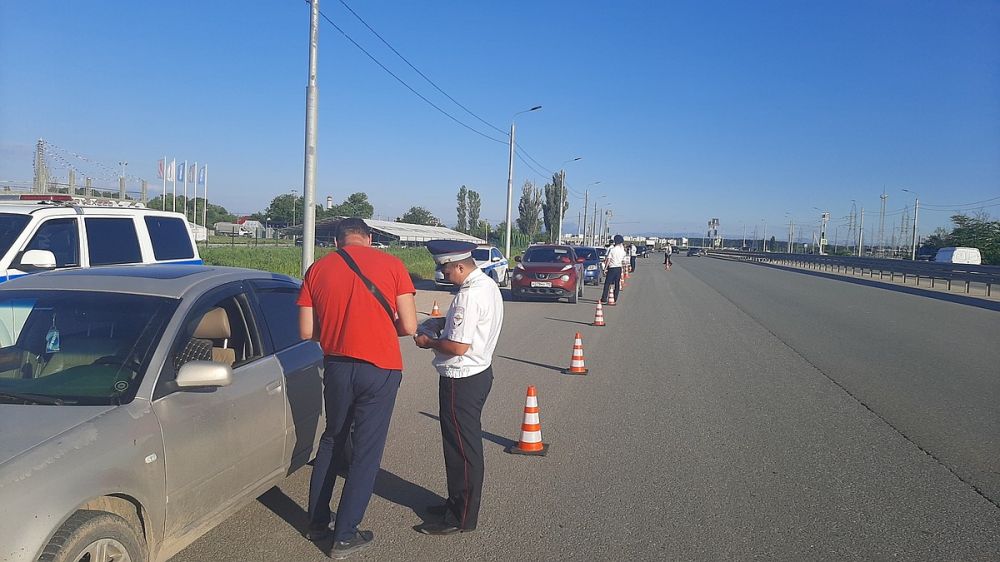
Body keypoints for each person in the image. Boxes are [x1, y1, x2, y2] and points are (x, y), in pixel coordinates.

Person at [297, 218, 417, 559]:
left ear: (337, 242)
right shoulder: (393, 265)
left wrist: (338, 331)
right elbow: (408, 325)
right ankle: (345, 534)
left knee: (333, 439)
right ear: (369, 238)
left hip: (336, 366)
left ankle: (317, 523)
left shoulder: (317, 269)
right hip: (380, 368)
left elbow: (306, 331)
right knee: (366, 451)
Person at [414, 240, 504, 535]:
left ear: (460, 266)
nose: (441, 274)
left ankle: (461, 517)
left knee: (462, 450)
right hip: (477, 374)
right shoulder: (486, 284)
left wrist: (428, 342)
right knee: (459, 446)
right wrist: (442, 321)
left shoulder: (468, 296)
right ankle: (456, 502)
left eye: (444, 268)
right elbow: (467, 327)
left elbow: (457, 346)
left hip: (461, 378)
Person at [601, 235, 627, 303]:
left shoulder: (612, 250)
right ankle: (615, 298)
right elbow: (624, 261)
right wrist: (623, 269)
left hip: (612, 268)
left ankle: (604, 297)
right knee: (617, 284)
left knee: (607, 283)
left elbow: (608, 260)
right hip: (619, 268)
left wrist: (605, 268)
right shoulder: (623, 251)